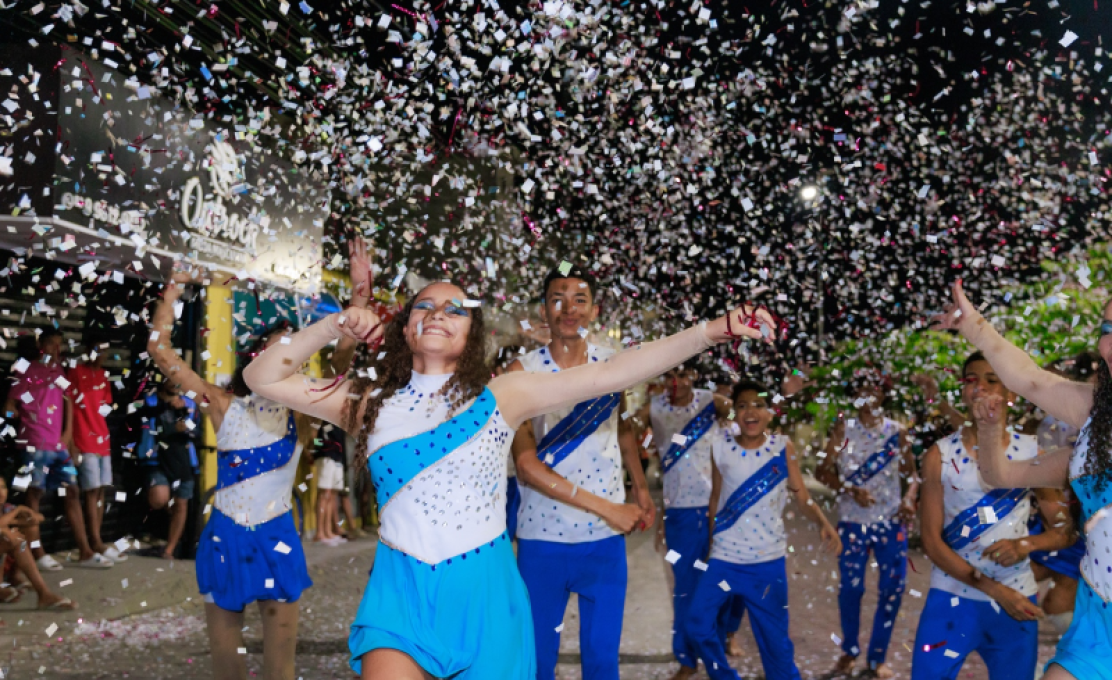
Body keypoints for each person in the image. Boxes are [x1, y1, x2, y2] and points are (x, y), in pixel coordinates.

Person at [242, 272, 779, 680]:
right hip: (399, 592)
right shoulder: (366, 402)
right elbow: (260, 375)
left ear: (471, 332)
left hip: (487, 593)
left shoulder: (503, 397)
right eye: (424, 306)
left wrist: (714, 330)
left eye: (454, 309)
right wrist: (336, 322)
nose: (437, 313)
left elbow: (615, 371)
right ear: (406, 327)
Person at [146, 237, 372, 680]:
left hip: (278, 537)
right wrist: (172, 292)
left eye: (294, 351)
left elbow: (340, 362)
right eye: (276, 349)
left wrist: (359, 298)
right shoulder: (223, 403)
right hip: (224, 537)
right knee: (227, 669)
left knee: (280, 670)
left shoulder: (304, 415)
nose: (285, 358)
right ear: (257, 357)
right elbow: (160, 351)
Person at [931, 280, 1112, 680]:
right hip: (1097, 624)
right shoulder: (1096, 423)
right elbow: (1003, 471)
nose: (1111, 344)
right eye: (1106, 330)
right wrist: (973, 326)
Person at [507, 265, 656, 680]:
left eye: (580, 299)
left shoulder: (613, 366)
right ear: (544, 309)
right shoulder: (521, 373)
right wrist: (611, 508)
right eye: (558, 298)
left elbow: (622, 426)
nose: (568, 308)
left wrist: (640, 488)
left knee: (603, 662)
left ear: (594, 310)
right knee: (536, 661)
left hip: (604, 547)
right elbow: (525, 465)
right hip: (542, 541)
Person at [912, 352, 1077, 680]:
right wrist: (996, 591)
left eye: (992, 380)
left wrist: (1025, 544)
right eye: (971, 380)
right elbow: (931, 541)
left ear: (1011, 394)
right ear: (962, 390)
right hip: (952, 598)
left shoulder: (1032, 453)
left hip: (1017, 601)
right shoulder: (939, 456)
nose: (981, 388)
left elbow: (1064, 531)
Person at [686, 379, 841, 680]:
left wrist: (823, 523)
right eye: (742, 405)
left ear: (771, 412)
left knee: (776, 646)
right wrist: (710, 547)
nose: (750, 411)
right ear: (734, 413)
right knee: (697, 624)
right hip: (725, 560)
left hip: (766, 565)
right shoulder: (720, 448)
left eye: (758, 405)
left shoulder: (783, 448)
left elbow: (801, 495)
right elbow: (716, 499)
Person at [636, 363, 742, 677]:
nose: (676, 382)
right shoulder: (654, 408)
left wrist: (729, 436)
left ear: (694, 376)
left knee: (719, 586)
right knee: (684, 588)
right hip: (679, 514)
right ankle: (686, 659)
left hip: (719, 510)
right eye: (669, 376)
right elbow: (627, 430)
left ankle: (716, 647)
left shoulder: (713, 401)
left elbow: (742, 423)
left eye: (683, 375)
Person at [816, 370, 917, 679]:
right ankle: (849, 652)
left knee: (892, 589)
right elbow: (822, 472)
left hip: (890, 522)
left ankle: (877, 657)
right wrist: (849, 489)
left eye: (875, 390)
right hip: (852, 522)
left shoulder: (897, 432)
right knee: (851, 588)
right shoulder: (842, 429)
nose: (868, 395)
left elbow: (913, 476)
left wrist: (910, 499)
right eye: (862, 389)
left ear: (884, 395)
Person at [3, 329, 112, 570]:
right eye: (51, 344)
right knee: (35, 494)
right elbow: (9, 406)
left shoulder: (60, 371)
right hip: (34, 443)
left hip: (58, 444)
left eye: (59, 345)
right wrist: (16, 417)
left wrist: (68, 436)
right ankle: (38, 552)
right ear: (40, 345)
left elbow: (68, 402)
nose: (55, 349)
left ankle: (84, 550)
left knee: (72, 491)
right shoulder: (26, 369)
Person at [66, 344, 126, 562]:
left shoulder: (103, 375)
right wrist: (72, 441)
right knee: (90, 491)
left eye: (105, 352)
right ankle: (94, 541)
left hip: (103, 439)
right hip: (84, 439)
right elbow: (68, 406)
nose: (102, 356)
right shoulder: (75, 373)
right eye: (98, 351)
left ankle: (98, 541)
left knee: (101, 491)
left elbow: (103, 406)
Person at [136, 381, 199, 559]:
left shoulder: (189, 403)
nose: (175, 382)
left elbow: (197, 430)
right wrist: (168, 406)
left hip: (184, 460)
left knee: (182, 504)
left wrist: (186, 428)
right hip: (157, 458)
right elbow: (145, 418)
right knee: (158, 499)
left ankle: (169, 550)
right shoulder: (150, 400)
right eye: (170, 377)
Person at [0, 476, 76, 610]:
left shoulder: (6, 508)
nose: (1, 493)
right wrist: (17, 513)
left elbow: (38, 518)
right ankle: (43, 593)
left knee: (29, 529)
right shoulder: (12, 511)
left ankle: (15, 577)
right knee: (13, 539)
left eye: (3, 487)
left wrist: (19, 519)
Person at [313, 420, 349, 545]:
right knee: (325, 494)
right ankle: (320, 532)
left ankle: (328, 531)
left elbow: (341, 443)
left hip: (338, 459)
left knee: (332, 495)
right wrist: (321, 451)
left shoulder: (340, 422)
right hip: (327, 457)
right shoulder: (323, 420)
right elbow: (315, 439)